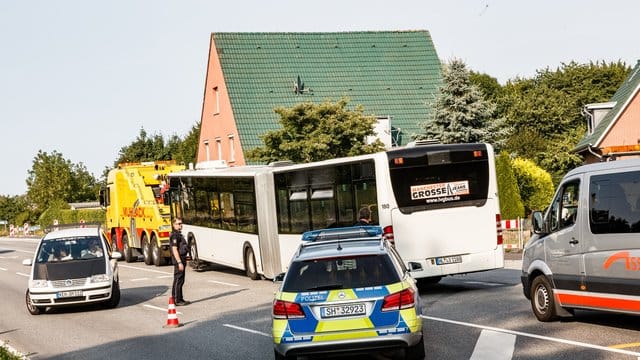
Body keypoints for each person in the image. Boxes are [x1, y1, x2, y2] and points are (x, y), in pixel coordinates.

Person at [170, 218, 190, 306]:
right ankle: (176, 300)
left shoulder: (178, 234)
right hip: (179, 259)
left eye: (181, 223)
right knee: (178, 279)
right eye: (178, 224)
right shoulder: (175, 235)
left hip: (182, 258)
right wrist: (179, 262)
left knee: (181, 280)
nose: (180, 225)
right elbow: (174, 249)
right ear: (174, 225)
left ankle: (180, 298)